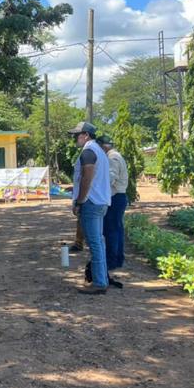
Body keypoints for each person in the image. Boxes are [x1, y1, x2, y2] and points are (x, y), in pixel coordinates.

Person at [68, 122, 111, 295]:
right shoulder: (99, 151)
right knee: (98, 242)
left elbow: (87, 178)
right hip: (100, 202)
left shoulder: (88, 152)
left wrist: (79, 201)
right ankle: (102, 279)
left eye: (76, 135)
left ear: (86, 135)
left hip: (91, 202)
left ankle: (99, 282)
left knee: (94, 243)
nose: (74, 138)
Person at [98, 135, 129, 287]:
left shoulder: (112, 157)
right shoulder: (115, 155)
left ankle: (111, 260)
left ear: (104, 146)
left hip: (115, 197)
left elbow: (111, 178)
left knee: (111, 230)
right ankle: (116, 258)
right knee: (116, 229)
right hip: (118, 197)